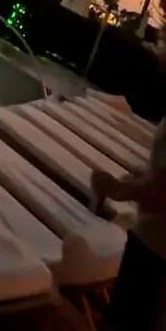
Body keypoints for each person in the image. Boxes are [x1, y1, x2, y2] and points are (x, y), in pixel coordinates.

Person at [91, 38, 166, 330]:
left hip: (155, 254)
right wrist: (145, 175)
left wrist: (114, 188)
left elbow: (161, 195)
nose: (159, 49)